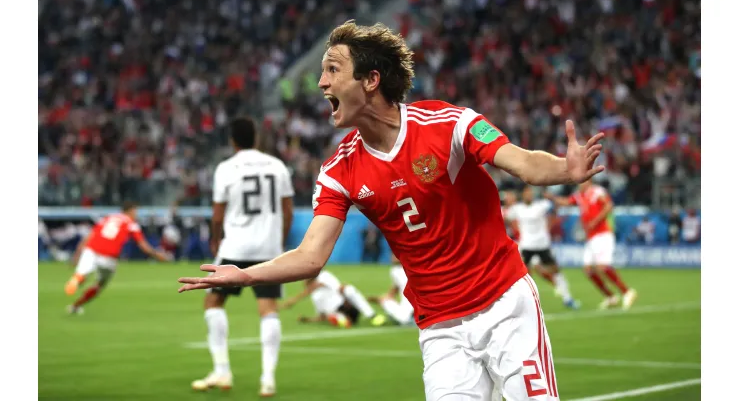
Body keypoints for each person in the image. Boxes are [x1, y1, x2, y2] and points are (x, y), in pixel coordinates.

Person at [178, 20, 606, 401]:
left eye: (332, 70)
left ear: (370, 80)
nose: (321, 83)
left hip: (504, 304)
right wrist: (245, 273)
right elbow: (310, 257)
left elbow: (524, 163)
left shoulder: (449, 125)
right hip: (440, 328)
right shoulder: (338, 171)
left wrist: (566, 170)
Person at [190, 117, 295, 397]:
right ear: (256, 138)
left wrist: (216, 239)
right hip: (269, 248)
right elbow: (288, 212)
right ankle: (268, 379)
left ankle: (222, 370)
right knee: (268, 307)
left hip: (235, 248)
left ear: (232, 141)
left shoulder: (226, 168)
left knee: (213, 301)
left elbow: (217, 215)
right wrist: (279, 243)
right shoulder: (277, 166)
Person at [64, 201, 170, 314]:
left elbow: (90, 236)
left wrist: (77, 253)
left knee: (81, 274)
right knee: (100, 283)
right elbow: (143, 245)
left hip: (91, 250)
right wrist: (157, 255)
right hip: (108, 256)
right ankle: (75, 306)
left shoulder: (108, 218)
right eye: (136, 211)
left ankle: (76, 280)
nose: (137, 214)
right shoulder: (131, 223)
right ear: (131, 210)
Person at [546, 180, 637, 310]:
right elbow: (566, 202)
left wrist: (595, 221)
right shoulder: (579, 195)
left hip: (602, 235)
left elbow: (608, 206)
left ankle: (627, 292)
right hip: (591, 237)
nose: (579, 183)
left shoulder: (597, 192)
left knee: (603, 267)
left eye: (582, 181)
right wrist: (552, 198)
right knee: (588, 270)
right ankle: (610, 296)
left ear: (588, 181)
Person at [505, 187, 579, 309]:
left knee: (555, 270)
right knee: (522, 275)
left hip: (542, 244)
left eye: (530, 193)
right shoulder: (517, 208)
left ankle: (568, 298)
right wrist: (515, 228)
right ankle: (524, 302)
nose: (529, 195)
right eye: (527, 193)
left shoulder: (542, 205)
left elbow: (555, 209)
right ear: (523, 195)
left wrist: (550, 221)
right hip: (527, 245)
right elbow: (505, 217)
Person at [278, 270, 387, 328]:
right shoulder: (316, 296)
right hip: (336, 312)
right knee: (331, 316)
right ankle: (342, 320)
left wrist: (293, 301)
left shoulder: (324, 276)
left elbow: (339, 287)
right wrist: (308, 320)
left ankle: (371, 315)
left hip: (345, 306)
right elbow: (321, 317)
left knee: (349, 290)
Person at [369, 253, 415, 325]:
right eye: (392, 255)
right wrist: (387, 297)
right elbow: (396, 287)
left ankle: (410, 317)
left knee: (405, 319)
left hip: (416, 303)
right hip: (407, 304)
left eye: (394, 255)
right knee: (386, 301)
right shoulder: (395, 271)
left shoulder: (411, 267)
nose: (392, 257)